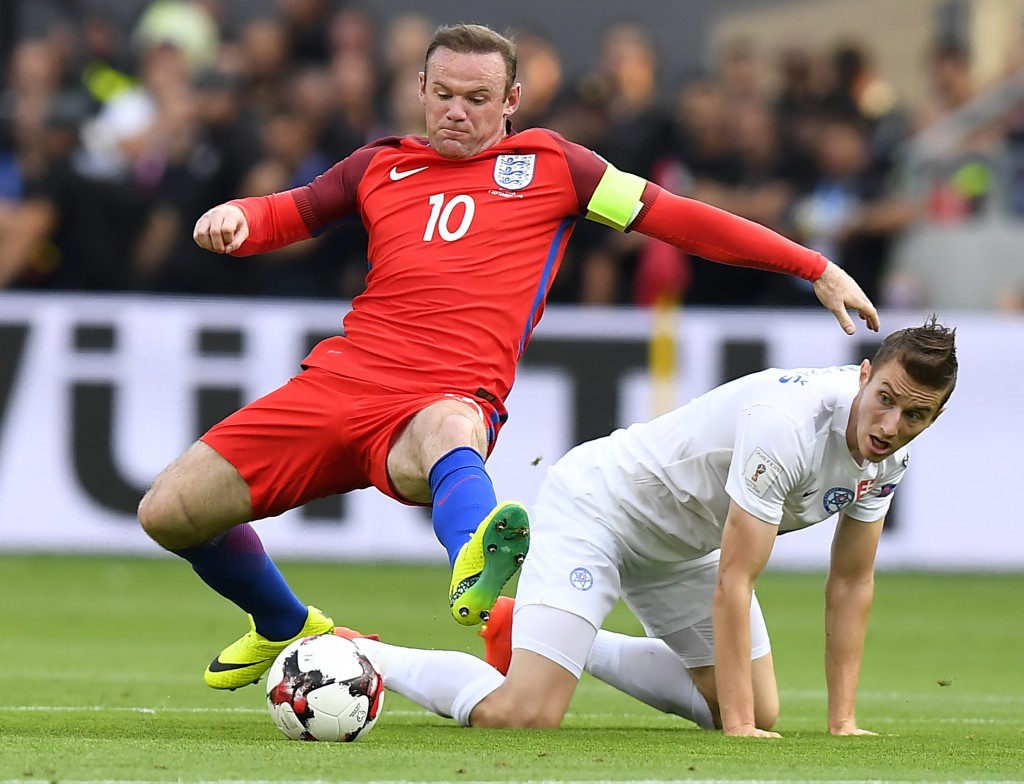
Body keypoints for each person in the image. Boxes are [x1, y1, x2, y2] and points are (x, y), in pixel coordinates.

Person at [136, 23, 880, 693]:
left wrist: (810, 264)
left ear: (511, 99)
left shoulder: (557, 167)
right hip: (339, 380)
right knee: (168, 512)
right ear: (421, 90)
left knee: (446, 435)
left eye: (478, 97)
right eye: (445, 94)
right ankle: (286, 625)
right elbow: (290, 211)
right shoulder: (377, 166)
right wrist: (240, 216)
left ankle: (478, 566)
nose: (457, 111)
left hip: (447, 395)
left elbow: (675, 217)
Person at [341, 318, 957, 737]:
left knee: (756, 705)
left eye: (916, 415)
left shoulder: (891, 452)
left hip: (684, 546)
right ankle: (362, 653)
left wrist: (841, 720)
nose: (891, 425)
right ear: (862, 374)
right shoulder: (787, 425)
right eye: (885, 399)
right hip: (601, 508)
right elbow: (736, 581)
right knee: (524, 714)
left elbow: (851, 582)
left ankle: (524, 628)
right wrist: (741, 733)